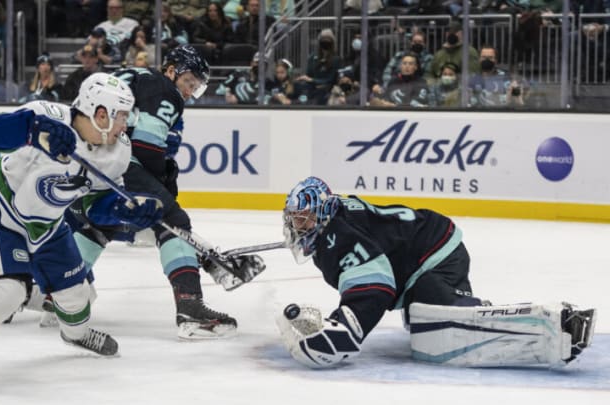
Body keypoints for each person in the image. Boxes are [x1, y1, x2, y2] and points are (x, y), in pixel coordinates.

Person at [0, 72, 163, 390]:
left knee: (81, 297)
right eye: (121, 116)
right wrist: (33, 131)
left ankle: (73, 333)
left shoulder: (118, 152)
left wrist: (125, 211)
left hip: (48, 226)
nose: (125, 124)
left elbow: (94, 205)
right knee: (7, 291)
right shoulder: (47, 116)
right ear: (100, 113)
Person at [276, 176, 597, 369]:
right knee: (422, 323)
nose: (296, 225)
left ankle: (551, 325)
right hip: (421, 247)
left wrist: (346, 327)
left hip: (435, 253)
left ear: (322, 214)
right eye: (294, 218)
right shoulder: (336, 220)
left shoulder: (339, 237)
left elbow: (376, 286)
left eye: (303, 218)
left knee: (442, 320)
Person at [66, 45, 265, 339]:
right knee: (174, 222)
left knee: (101, 225)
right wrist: (162, 187)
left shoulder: (139, 79)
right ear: (172, 71)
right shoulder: (163, 88)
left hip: (86, 156)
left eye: (195, 87)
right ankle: (190, 307)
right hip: (116, 158)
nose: (188, 91)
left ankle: (59, 290)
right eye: (188, 82)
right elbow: (146, 148)